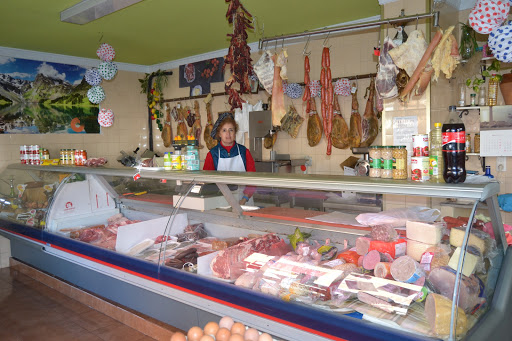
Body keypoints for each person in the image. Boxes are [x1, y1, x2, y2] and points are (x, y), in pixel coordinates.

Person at [203, 112, 256, 205]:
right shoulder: (212, 154)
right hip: (220, 200)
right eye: (224, 130)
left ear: (235, 132)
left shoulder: (244, 152)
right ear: (219, 134)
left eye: (231, 130)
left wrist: (244, 199)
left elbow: (253, 179)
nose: (228, 134)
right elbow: (207, 182)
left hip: (244, 200)